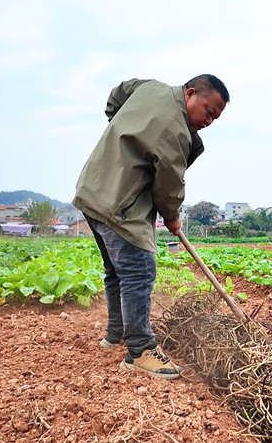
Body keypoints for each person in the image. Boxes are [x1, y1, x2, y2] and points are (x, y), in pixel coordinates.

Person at [72, 74, 229, 380]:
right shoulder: (175, 130)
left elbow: (116, 96)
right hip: (119, 203)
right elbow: (169, 183)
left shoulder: (149, 88)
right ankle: (140, 351)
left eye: (215, 118)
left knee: (117, 272)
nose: (209, 121)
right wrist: (172, 216)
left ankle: (116, 333)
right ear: (191, 94)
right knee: (139, 270)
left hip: (93, 190)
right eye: (208, 111)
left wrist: (125, 129)